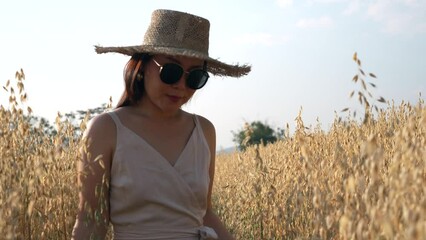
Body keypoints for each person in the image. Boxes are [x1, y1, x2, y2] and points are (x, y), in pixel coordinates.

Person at [71, 9, 251, 240]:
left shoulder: (204, 131)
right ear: (143, 66)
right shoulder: (106, 129)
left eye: (195, 76)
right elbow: (90, 219)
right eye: (171, 71)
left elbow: (205, 214)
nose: (181, 85)